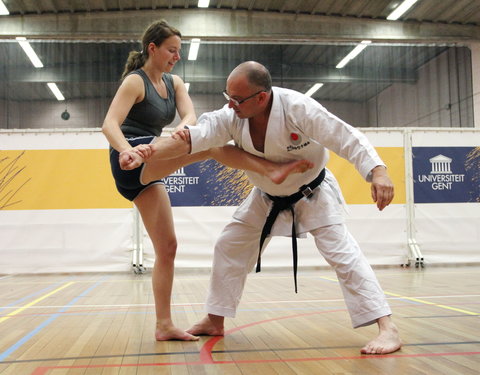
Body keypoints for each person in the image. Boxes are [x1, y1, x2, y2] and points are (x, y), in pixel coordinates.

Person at [121, 60, 402, 354]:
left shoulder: (297, 108)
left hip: (313, 193)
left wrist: (378, 172)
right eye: (227, 97)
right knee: (230, 245)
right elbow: (196, 137)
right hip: (266, 195)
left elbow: (345, 136)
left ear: (262, 97)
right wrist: (147, 152)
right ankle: (215, 319)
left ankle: (387, 328)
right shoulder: (231, 115)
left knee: (344, 256)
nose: (230, 105)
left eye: (237, 99)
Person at [102, 23, 312, 342]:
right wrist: (129, 150)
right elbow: (109, 124)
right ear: (152, 49)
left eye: (179, 50)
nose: (177, 55)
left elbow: (190, 119)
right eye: (172, 49)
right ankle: (271, 169)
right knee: (213, 148)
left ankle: (163, 325)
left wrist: (178, 134)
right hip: (131, 159)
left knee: (168, 247)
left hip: (152, 161)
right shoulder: (136, 81)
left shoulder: (175, 84)